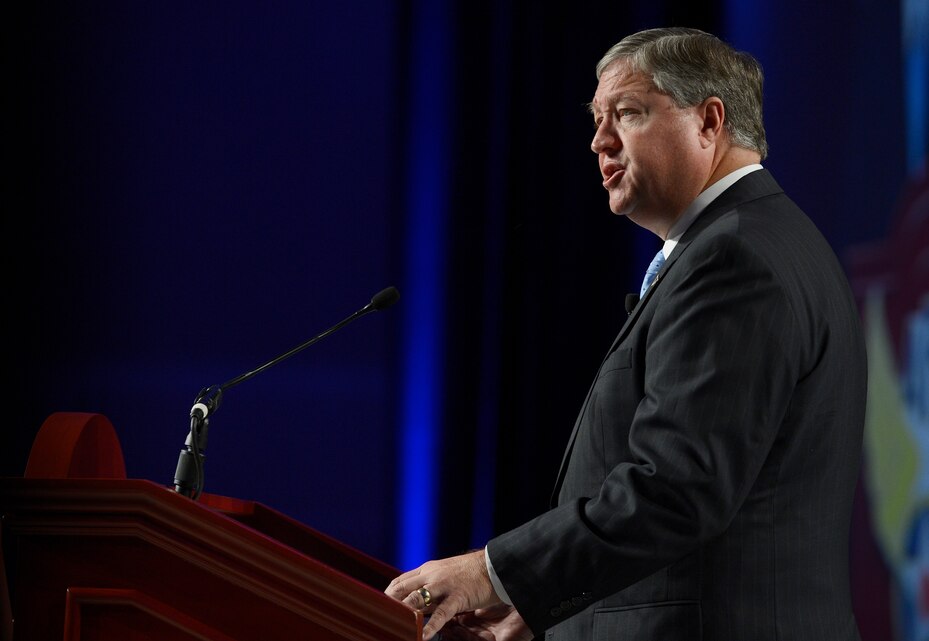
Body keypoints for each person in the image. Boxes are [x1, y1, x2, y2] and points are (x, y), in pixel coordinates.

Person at [386, 27, 867, 641]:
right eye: (595, 118)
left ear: (709, 121)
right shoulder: (752, 243)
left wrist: (491, 572)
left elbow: (675, 490)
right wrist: (544, 601)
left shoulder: (735, 260)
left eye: (627, 113)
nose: (598, 140)